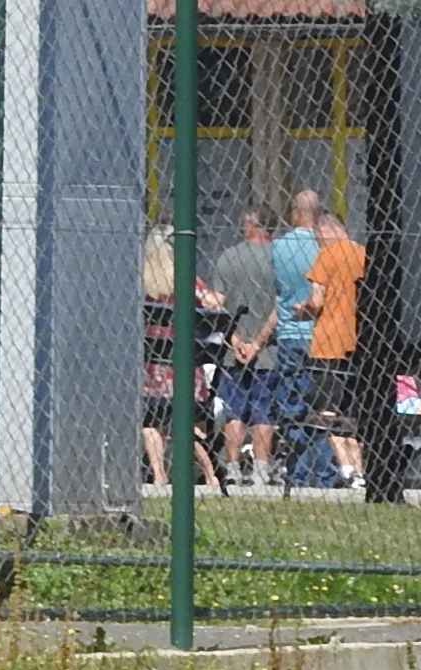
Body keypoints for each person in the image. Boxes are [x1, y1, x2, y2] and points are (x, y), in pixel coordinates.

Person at [138, 226, 226, 497]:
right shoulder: (187, 280)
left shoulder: (143, 282)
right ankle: (211, 475)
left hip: (154, 371)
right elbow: (213, 305)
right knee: (184, 422)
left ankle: (160, 475)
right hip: (187, 370)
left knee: (150, 421)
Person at [205, 208, 279, 486]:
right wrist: (257, 343)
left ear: (250, 226)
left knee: (234, 410)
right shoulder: (277, 259)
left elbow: (217, 304)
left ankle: (233, 468)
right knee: (263, 411)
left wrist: (235, 340)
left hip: (232, 349)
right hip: (268, 350)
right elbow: (278, 308)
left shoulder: (228, 257)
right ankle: (260, 472)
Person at [303, 208, 372, 496]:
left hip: (328, 340)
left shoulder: (326, 256)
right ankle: (359, 471)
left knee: (326, 408)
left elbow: (317, 301)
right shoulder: (363, 254)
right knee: (352, 410)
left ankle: (344, 467)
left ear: (325, 231)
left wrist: (302, 309)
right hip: (357, 341)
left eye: (318, 238)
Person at [268, 189, 323, 464]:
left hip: (289, 331)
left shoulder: (278, 247)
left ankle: (296, 465)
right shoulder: (323, 246)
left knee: (291, 402)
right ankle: (320, 466)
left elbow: (278, 291)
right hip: (320, 332)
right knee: (321, 404)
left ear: (296, 213)